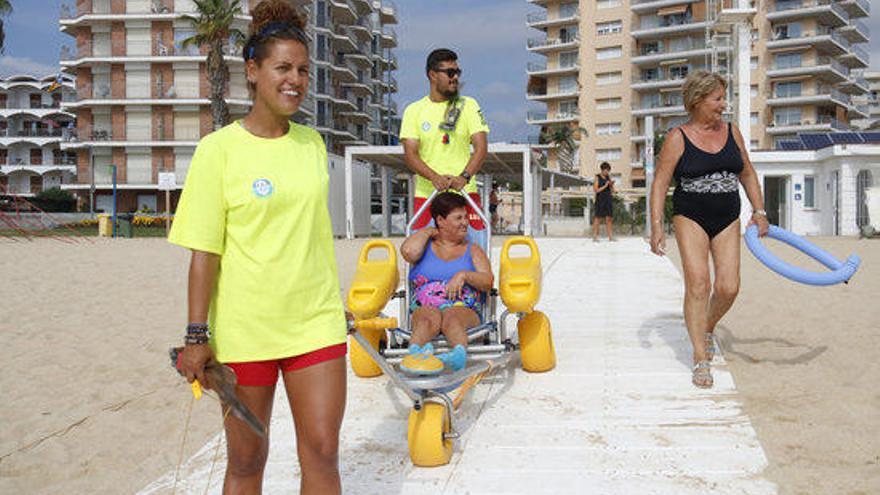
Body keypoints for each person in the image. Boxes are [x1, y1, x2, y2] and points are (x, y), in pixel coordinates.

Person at [170, 2, 347, 493]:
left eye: (304, 70)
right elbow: (204, 252)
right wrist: (196, 336)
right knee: (247, 460)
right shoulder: (218, 150)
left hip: (315, 324)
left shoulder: (312, 145)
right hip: (245, 332)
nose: (296, 80)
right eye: (283, 68)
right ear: (252, 71)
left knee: (324, 452)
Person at [649, 70, 769, 389]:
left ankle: (707, 326)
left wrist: (759, 211)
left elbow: (747, 173)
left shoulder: (732, 132)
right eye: (717, 99)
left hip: (727, 215)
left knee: (728, 287)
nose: (723, 105)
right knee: (699, 283)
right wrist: (657, 225)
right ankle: (700, 357)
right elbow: (660, 183)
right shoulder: (678, 137)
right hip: (690, 215)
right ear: (698, 101)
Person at [398, 192, 494, 375]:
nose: (465, 222)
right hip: (425, 305)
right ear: (440, 220)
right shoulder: (425, 247)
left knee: (452, 318)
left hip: (463, 306)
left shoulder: (472, 249)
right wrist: (428, 231)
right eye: (458, 218)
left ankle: (457, 357)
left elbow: (488, 281)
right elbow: (408, 252)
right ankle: (415, 356)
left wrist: (464, 275)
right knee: (428, 318)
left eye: (465, 217)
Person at [400, 48, 490, 231]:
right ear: (432, 75)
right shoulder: (413, 111)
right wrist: (434, 178)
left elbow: (481, 148)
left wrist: (464, 177)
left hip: (465, 192)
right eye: (450, 72)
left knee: (474, 251)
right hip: (427, 196)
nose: (455, 77)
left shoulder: (469, 105)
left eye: (457, 72)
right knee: (418, 253)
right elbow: (410, 155)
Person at [592, 162, 615, 242]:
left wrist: (611, 185)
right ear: (602, 170)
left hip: (608, 199)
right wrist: (605, 186)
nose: (607, 172)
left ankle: (610, 237)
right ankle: (595, 237)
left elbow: (613, 191)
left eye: (608, 171)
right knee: (597, 218)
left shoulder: (608, 177)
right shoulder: (597, 177)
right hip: (600, 200)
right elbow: (596, 190)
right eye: (606, 170)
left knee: (609, 218)